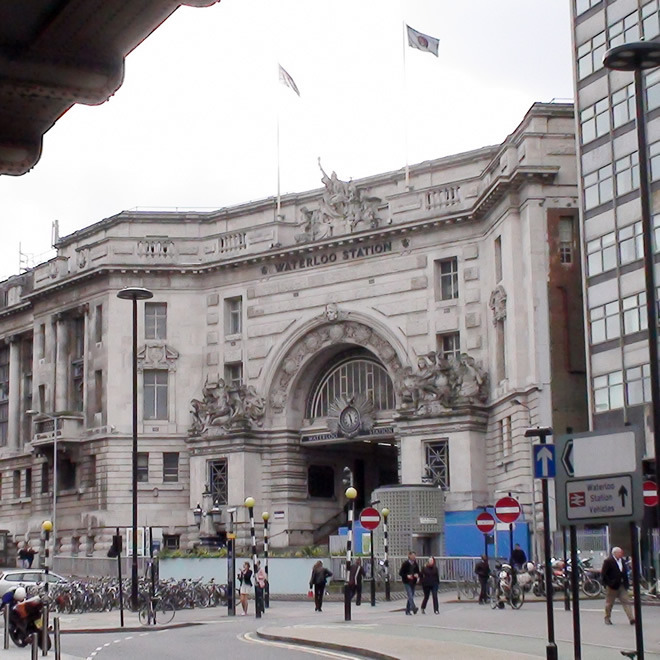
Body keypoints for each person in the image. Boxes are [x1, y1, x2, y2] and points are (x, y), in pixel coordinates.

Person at [601, 546, 634, 625]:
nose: (621, 554)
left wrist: (627, 583)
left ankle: (631, 618)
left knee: (626, 601)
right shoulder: (608, 561)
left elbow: (624, 572)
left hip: (622, 585)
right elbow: (604, 574)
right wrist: (608, 583)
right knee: (609, 603)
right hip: (612, 586)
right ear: (615, 553)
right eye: (620, 553)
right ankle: (607, 618)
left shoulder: (622, 561)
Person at [399, 550, 420, 615]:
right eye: (413, 556)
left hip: (413, 581)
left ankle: (407, 610)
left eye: (415, 556)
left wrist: (417, 575)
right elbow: (401, 573)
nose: (414, 557)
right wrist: (407, 576)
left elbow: (418, 572)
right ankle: (413, 608)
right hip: (407, 582)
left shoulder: (415, 564)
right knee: (410, 595)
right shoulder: (405, 564)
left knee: (411, 596)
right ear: (409, 556)